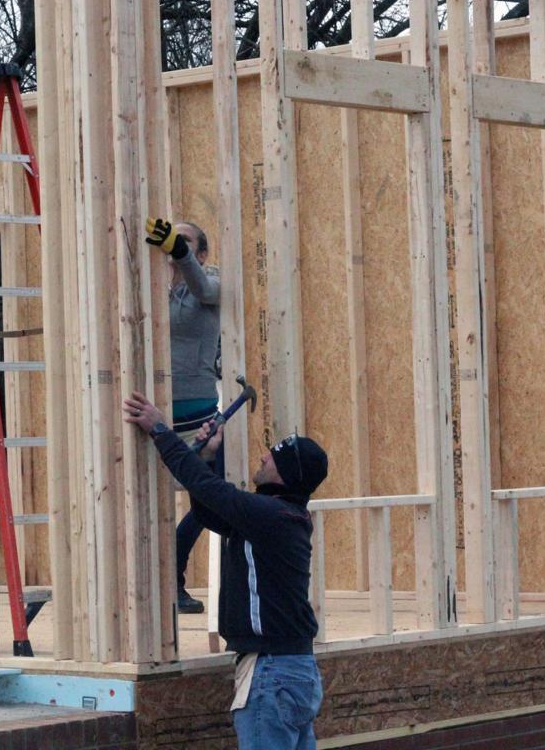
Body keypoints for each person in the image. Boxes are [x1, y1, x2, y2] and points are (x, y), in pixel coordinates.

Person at [123, 390, 327, 750]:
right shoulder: (279, 517)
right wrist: (206, 455)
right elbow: (209, 509)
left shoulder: (269, 516)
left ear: (285, 475)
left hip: (271, 672)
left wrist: (160, 430)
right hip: (294, 670)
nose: (263, 456)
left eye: (273, 456)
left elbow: (209, 489)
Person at [145, 218, 221, 615]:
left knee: (209, 502)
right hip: (155, 415)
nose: (174, 245)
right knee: (144, 500)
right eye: (171, 238)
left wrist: (179, 252)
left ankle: (173, 573)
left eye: (186, 241)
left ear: (201, 253)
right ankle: (160, 586)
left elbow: (204, 289)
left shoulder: (211, 281)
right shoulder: (151, 288)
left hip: (199, 413)